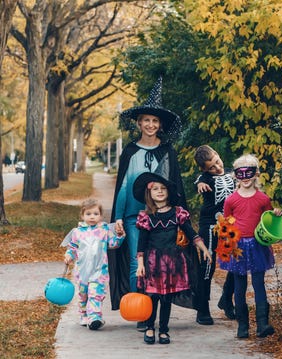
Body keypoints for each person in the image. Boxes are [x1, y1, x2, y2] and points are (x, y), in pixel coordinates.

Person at [108, 77, 187, 332]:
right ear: (139, 123)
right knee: (136, 261)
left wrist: (180, 217)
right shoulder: (130, 150)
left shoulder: (167, 151)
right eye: (146, 120)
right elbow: (122, 186)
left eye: (155, 121)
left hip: (161, 216)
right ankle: (142, 312)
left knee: (161, 262)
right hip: (133, 214)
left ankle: (157, 314)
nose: (150, 124)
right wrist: (118, 216)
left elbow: (175, 185)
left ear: (159, 124)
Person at [133, 172, 212, 345]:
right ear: (150, 194)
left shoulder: (177, 213)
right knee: (152, 296)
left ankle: (163, 330)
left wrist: (204, 248)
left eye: (163, 188)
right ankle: (149, 327)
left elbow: (191, 233)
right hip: (152, 261)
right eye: (155, 189)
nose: (160, 192)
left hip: (172, 262)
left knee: (166, 297)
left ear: (168, 192)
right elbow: (142, 244)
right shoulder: (146, 217)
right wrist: (140, 264)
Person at [219, 154, 282, 339]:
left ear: (256, 174)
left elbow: (268, 221)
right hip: (238, 246)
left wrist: (276, 213)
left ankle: (262, 324)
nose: (245, 177)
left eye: (249, 172)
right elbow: (226, 225)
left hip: (257, 246)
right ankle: (243, 326)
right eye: (240, 173)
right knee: (239, 287)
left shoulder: (263, 199)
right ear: (235, 175)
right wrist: (227, 247)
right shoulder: (230, 200)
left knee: (258, 284)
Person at [62, 198, 125, 330]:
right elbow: (73, 247)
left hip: (99, 271)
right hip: (82, 271)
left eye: (95, 214)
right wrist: (69, 255)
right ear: (82, 215)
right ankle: (84, 315)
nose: (92, 217)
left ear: (100, 215)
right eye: (88, 214)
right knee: (83, 295)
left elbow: (113, 244)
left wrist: (119, 236)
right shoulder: (77, 232)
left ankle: (95, 318)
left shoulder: (104, 230)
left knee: (96, 294)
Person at [193, 145, 236, 325]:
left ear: (218, 155)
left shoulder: (231, 173)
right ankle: (202, 308)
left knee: (236, 264)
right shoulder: (205, 179)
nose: (217, 168)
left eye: (217, 162)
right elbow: (198, 181)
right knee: (208, 266)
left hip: (230, 226)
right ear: (204, 170)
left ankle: (226, 298)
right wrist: (200, 183)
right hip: (210, 226)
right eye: (211, 167)